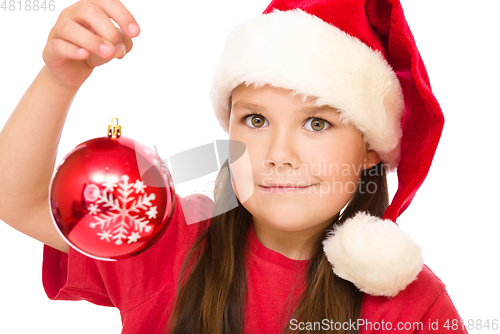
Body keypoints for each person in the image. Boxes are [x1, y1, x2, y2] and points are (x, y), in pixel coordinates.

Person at [0, 0, 468, 333]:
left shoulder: (414, 308)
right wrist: (59, 79)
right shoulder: (168, 238)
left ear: (370, 151)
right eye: (257, 119)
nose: (279, 153)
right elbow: (17, 201)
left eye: (318, 123)